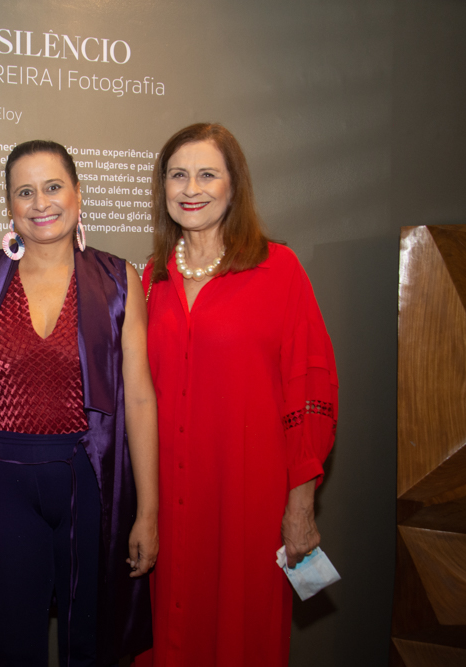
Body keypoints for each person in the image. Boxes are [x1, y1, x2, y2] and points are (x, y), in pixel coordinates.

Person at [0, 140, 159, 666]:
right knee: (8, 643)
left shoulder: (117, 279)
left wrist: (148, 512)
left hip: (85, 481)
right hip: (1, 487)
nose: (41, 202)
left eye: (53, 187)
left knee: (88, 646)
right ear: (10, 207)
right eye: (25, 192)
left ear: (77, 194)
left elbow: (138, 397)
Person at [139, 123, 338, 666]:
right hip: (169, 496)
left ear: (234, 187)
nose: (190, 188)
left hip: (246, 497)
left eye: (207, 174)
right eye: (177, 175)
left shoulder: (280, 269)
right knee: (168, 631)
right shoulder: (151, 279)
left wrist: (300, 507)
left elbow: (310, 387)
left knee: (238, 634)